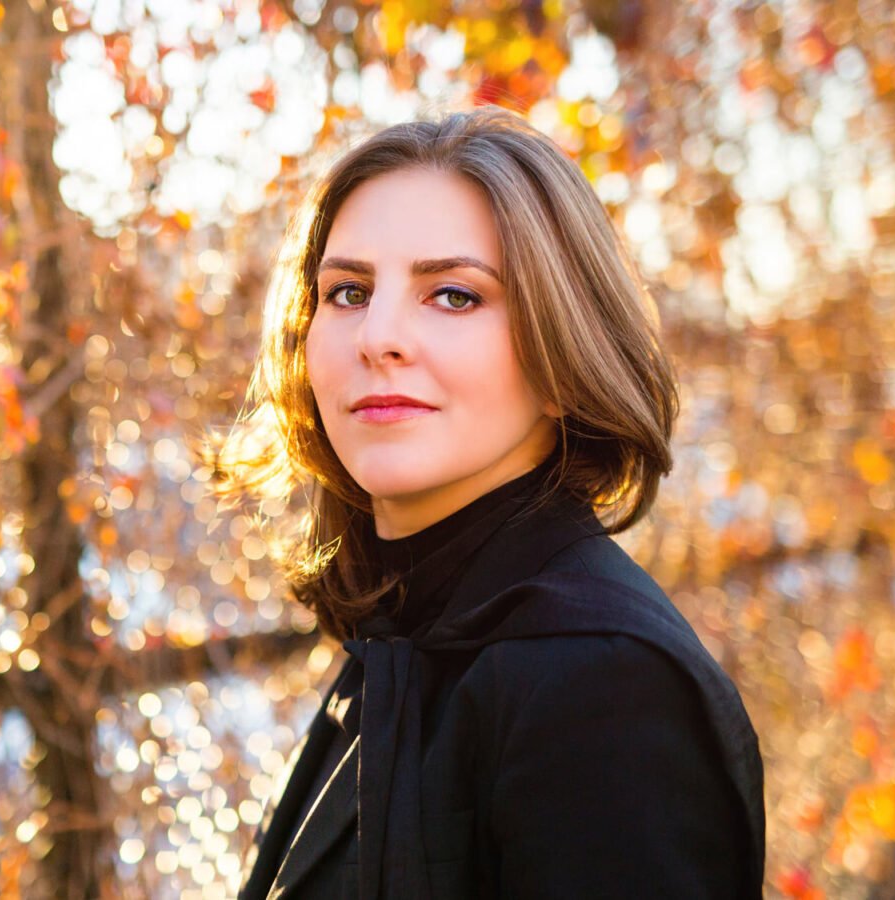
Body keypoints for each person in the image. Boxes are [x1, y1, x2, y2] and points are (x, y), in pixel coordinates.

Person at [217, 106, 766, 898]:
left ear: (562, 350)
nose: (379, 336)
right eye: (348, 291)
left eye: (453, 295)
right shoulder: (403, 636)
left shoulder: (603, 687)